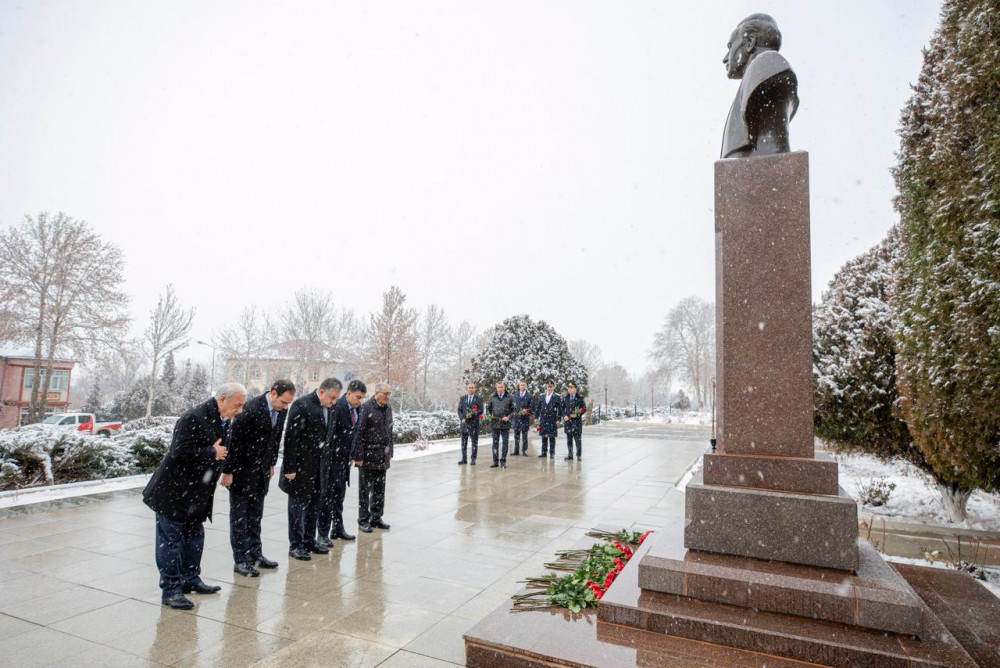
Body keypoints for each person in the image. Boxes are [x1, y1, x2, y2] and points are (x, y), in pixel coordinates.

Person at [142, 382, 247, 610]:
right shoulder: (193, 417)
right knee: (170, 543)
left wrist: (223, 465)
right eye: (237, 405)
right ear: (222, 399)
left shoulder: (224, 419)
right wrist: (212, 451)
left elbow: (224, 450)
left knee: (194, 538)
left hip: (196, 493)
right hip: (173, 493)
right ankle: (171, 591)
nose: (239, 411)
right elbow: (179, 452)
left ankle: (191, 579)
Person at [221, 379, 296, 577]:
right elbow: (233, 440)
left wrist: (271, 463)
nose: (284, 407)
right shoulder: (250, 409)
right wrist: (228, 471)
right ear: (273, 394)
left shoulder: (281, 411)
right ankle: (241, 559)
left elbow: (275, 438)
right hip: (242, 471)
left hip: (262, 471)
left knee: (256, 516)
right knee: (239, 518)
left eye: (288, 403)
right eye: (283, 402)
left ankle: (255, 553)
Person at [279, 377, 342, 560]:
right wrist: (290, 468)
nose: (334, 401)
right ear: (321, 391)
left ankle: (309, 539)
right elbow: (291, 438)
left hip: (321, 467)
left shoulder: (332, 408)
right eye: (331, 397)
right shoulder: (302, 405)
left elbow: (330, 437)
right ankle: (296, 544)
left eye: (336, 398)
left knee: (315, 505)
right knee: (297, 508)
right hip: (301, 467)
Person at [720, 13, 798, 159]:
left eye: (730, 47)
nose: (725, 59)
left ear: (750, 41)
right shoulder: (756, 73)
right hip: (747, 171)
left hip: (760, 166)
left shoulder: (769, 64)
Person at [318, 379, 367, 545]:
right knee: (327, 500)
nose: (360, 401)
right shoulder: (336, 407)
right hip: (332, 461)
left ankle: (338, 529)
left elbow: (354, 434)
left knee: (339, 498)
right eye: (358, 397)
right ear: (348, 394)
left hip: (345, 460)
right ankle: (323, 534)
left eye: (362, 398)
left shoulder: (358, 410)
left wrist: (352, 454)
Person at [350, 382, 393, 533]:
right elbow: (359, 433)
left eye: (389, 394)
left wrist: (390, 453)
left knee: (379, 490)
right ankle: (363, 520)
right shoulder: (366, 408)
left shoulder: (388, 409)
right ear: (376, 393)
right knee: (365, 491)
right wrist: (359, 456)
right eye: (385, 393)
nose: (387, 397)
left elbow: (389, 432)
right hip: (368, 457)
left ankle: (376, 517)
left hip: (382, 456)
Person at [486, 381, 515, 469]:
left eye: (501, 387)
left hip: (505, 424)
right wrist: (489, 414)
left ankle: (503, 461)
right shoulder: (492, 397)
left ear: (504, 387)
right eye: (498, 387)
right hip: (495, 424)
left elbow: (514, 410)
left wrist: (508, 417)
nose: (500, 389)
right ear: (496, 388)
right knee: (495, 443)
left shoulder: (510, 397)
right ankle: (495, 462)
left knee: (505, 443)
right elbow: (488, 409)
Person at [457, 382, 483, 465]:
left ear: (475, 389)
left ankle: (473, 459)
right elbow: (459, 410)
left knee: (474, 442)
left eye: (472, 388)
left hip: (474, 424)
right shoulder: (462, 398)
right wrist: (462, 418)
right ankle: (464, 459)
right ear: (467, 389)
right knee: (463, 443)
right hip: (464, 424)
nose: (471, 389)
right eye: (469, 387)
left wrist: (473, 413)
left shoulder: (478, 398)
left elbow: (481, 410)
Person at [536, 381, 562, 459]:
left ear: (553, 387)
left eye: (551, 386)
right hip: (543, 419)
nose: (549, 388)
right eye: (548, 386)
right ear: (546, 387)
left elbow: (559, 409)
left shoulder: (557, 397)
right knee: (544, 437)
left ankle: (552, 453)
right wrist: (536, 417)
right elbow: (538, 407)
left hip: (552, 419)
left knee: (552, 437)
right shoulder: (542, 396)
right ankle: (544, 452)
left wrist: (558, 419)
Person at [562, 382, 586, 461]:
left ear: (575, 388)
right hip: (568, 422)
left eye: (571, 387)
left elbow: (583, 408)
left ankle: (579, 455)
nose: (570, 389)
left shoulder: (580, 398)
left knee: (577, 440)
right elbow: (562, 409)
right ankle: (570, 454)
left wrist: (578, 413)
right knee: (569, 440)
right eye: (569, 387)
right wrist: (564, 415)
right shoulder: (566, 398)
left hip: (576, 422)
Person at [511, 380, 533, 456]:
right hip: (516, 419)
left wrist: (526, 411)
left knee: (524, 436)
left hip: (524, 419)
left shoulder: (529, 396)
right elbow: (512, 407)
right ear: (519, 386)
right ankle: (516, 450)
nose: (522, 386)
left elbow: (531, 408)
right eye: (521, 385)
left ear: (526, 386)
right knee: (516, 436)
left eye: (524, 385)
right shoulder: (515, 395)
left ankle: (524, 451)